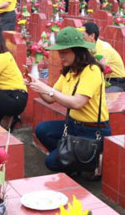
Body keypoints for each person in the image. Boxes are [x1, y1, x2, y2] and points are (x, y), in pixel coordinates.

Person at [31, 27, 111, 172]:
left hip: (92, 131)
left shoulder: (92, 70)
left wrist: (47, 90)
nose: (61, 57)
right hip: (73, 125)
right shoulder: (69, 71)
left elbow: (78, 103)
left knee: (51, 162)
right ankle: (73, 160)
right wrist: (35, 85)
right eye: (60, 53)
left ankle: (84, 162)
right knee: (42, 130)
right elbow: (50, 98)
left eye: (65, 53)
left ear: (78, 50)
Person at [82, 22, 125, 92]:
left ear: (92, 36)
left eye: (83, 35)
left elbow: (97, 68)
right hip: (102, 78)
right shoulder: (89, 46)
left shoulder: (103, 49)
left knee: (103, 98)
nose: (81, 38)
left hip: (115, 81)